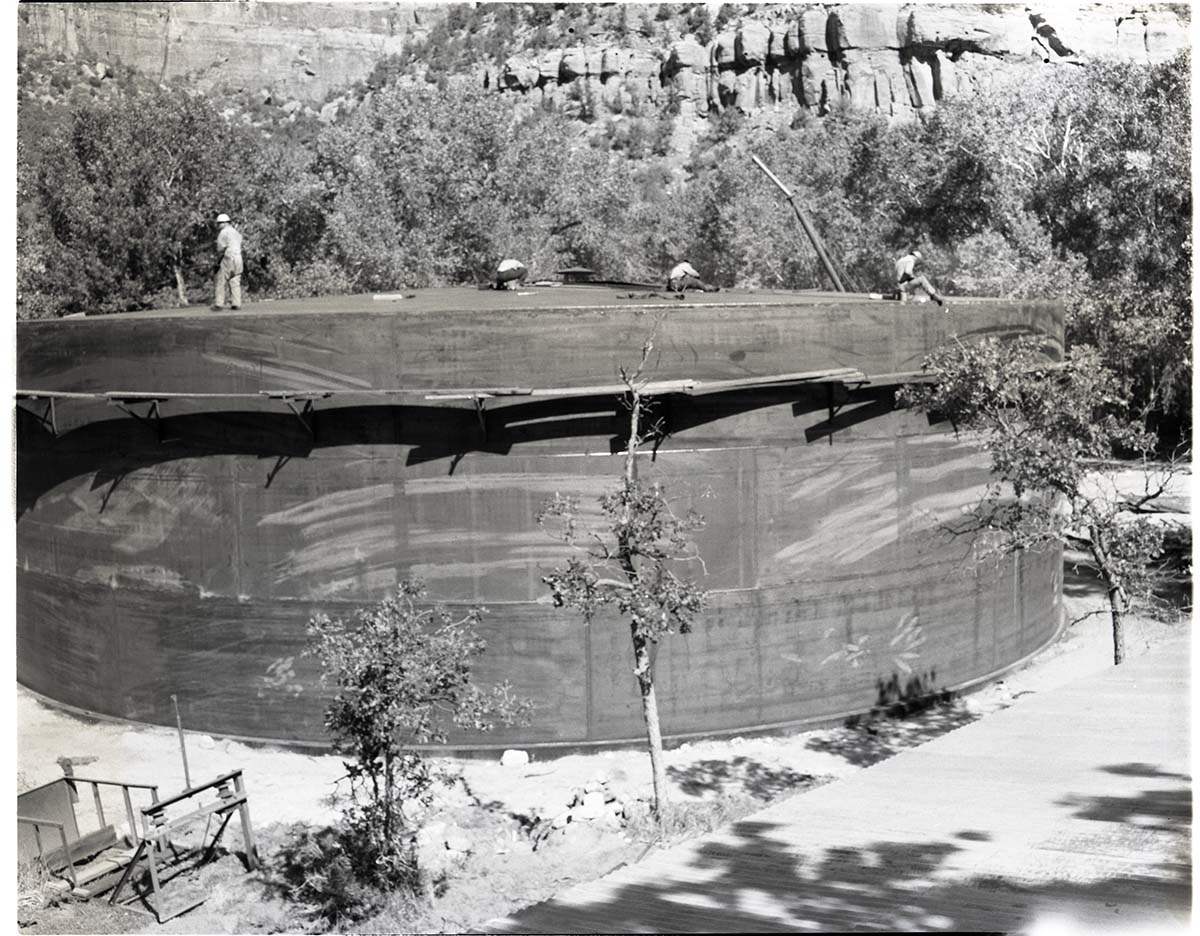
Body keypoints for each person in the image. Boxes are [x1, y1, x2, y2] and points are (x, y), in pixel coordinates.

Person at [211, 213, 243, 311]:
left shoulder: (223, 233)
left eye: (219, 224)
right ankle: (236, 303)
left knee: (221, 280)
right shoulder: (237, 233)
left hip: (228, 257)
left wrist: (217, 263)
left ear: (223, 223)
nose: (218, 226)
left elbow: (221, 249)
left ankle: (219, 304)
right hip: (238, 258)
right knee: (235, 281)